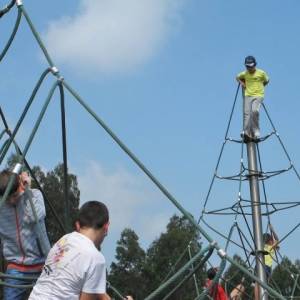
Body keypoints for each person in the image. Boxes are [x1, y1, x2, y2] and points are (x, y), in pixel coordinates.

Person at [29, 200, 131, 300]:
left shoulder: (64, 240)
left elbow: (92, 288)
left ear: (78, 224)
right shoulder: (96, 258)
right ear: (106, 227)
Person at [0, 169, 50, 300]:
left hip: (40, 264)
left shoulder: (34, 195)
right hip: (15, 266)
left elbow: (37, 216)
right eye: (7, 197)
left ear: (20, 184)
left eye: (15, 195)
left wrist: (27, 192)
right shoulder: (1, 206)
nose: (11, 200)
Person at [236, 56, 269, 142]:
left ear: (254, 65)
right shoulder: (245, 74)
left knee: (254, 111)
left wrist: (261, 86)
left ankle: (256, 131)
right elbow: (237, 77)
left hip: (258, 95)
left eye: (251, 66)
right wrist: (242, 83)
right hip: (248, 95)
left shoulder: (261, 73)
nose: (249, 68)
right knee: (246, 113)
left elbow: (267, 80)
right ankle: (246, 131)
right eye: (247, 66)